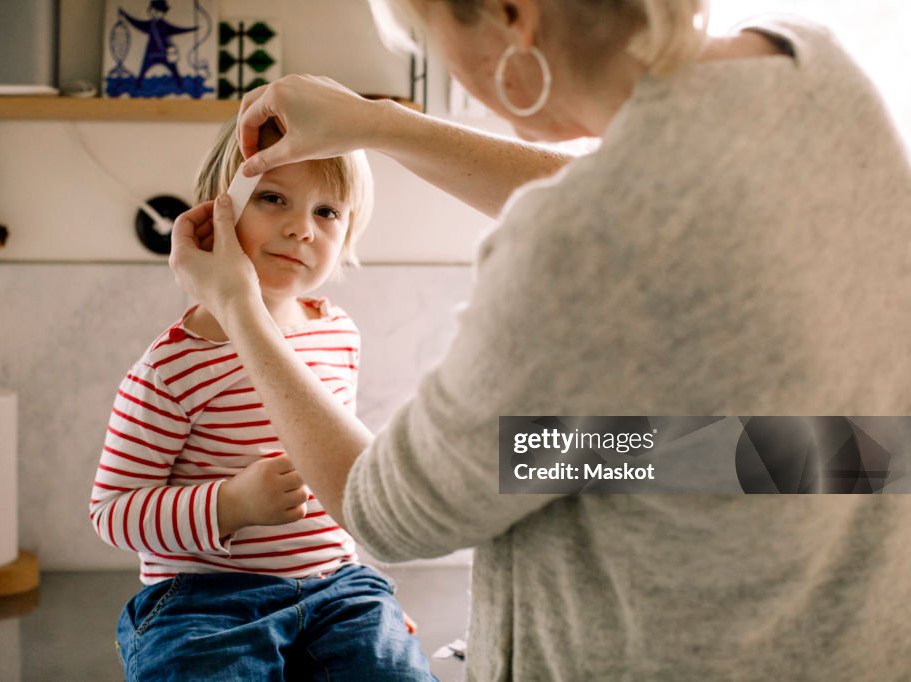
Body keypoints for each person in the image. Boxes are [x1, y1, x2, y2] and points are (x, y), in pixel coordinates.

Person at [168, 0, 911, 679]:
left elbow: (387, 512)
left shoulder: (577, 249)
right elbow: (647, 207)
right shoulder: (818, 70)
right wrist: (381, 125)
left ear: (511, 17)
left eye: (429, 36)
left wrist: (240, 310)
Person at [89, 116, 435, 681]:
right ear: (213, 216)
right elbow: (111, 513)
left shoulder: (338, 333)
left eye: (327, 212)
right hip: (203, 602)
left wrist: (372, 610)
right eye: (273, 197)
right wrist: (230, 505)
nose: (302, 228)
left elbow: (339, 480)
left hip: (336, 589)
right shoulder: (172, 366)